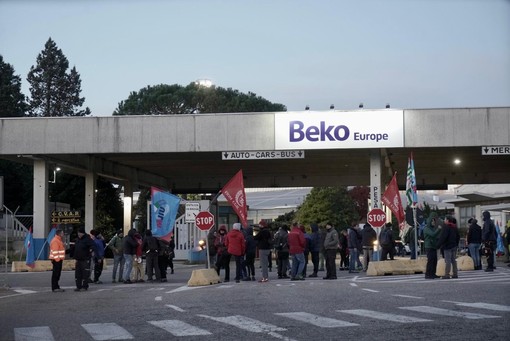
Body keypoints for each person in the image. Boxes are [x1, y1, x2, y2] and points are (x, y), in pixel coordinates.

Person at [73, 227, 94, 292]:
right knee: (78, 274)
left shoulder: (87, 239)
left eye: (80, 233)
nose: (79, 234)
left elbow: (92, 246)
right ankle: (78, 286)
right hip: (78, 259)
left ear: (83, 233)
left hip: (85, 259)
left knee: (85, 274)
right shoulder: (78, 240)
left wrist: (91, 250)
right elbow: (74, 248)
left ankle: (84, 286)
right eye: (78, 233)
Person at [423, 212, 442, 279]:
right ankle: (428, 274)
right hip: (429, 246)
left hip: (433, 246)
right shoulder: (427, 228)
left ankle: (433, 273)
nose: (434, 222)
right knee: (430, 261)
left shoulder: (432, 228)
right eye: (433, 220)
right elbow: (433, 234)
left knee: (434, 261)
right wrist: (438, 229)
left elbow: (435, 236)